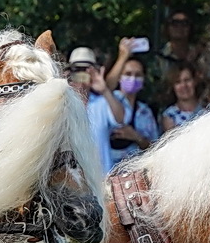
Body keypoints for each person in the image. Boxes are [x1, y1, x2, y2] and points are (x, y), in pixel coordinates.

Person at [66, 46, 118, 174]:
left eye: (87, 70)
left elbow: (120, 120)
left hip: (103, 178)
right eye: (77, 69)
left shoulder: (102, 102)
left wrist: (104, 90)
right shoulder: (64, 105)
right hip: (75, 180)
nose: (82, 74)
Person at [103, 49, 158, 166]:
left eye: (138, 75)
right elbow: (105, 87)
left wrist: (136, 137)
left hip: (136, 175)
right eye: (128, 74)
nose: (133, 78)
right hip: (106, 172)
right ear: (119, 77)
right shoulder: (107, 102)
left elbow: (156, 149)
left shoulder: (145, 112)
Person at [158, 61, 210, 135]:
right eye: (178, 82)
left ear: (195, 81)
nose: (184, 86)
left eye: (187, 80)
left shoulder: (208, 109)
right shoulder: (169, 116)